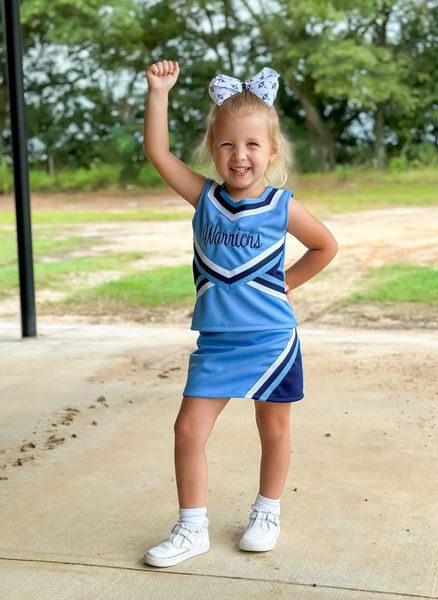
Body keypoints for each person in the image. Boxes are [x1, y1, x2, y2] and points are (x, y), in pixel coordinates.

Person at [142, 59, 338, 568]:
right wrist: (159, 92)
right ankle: (192, 528)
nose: (240, 155)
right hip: (218, 343)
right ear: (213, 150)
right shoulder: (203, 197)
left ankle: (266, 513)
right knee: (188, 430)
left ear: (271, 151)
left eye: (252, 144)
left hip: (272, 341)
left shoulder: (281, 205)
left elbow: (325, 247)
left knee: (272, 430)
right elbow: (158, 153)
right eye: (227, 144)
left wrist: (285, 285)